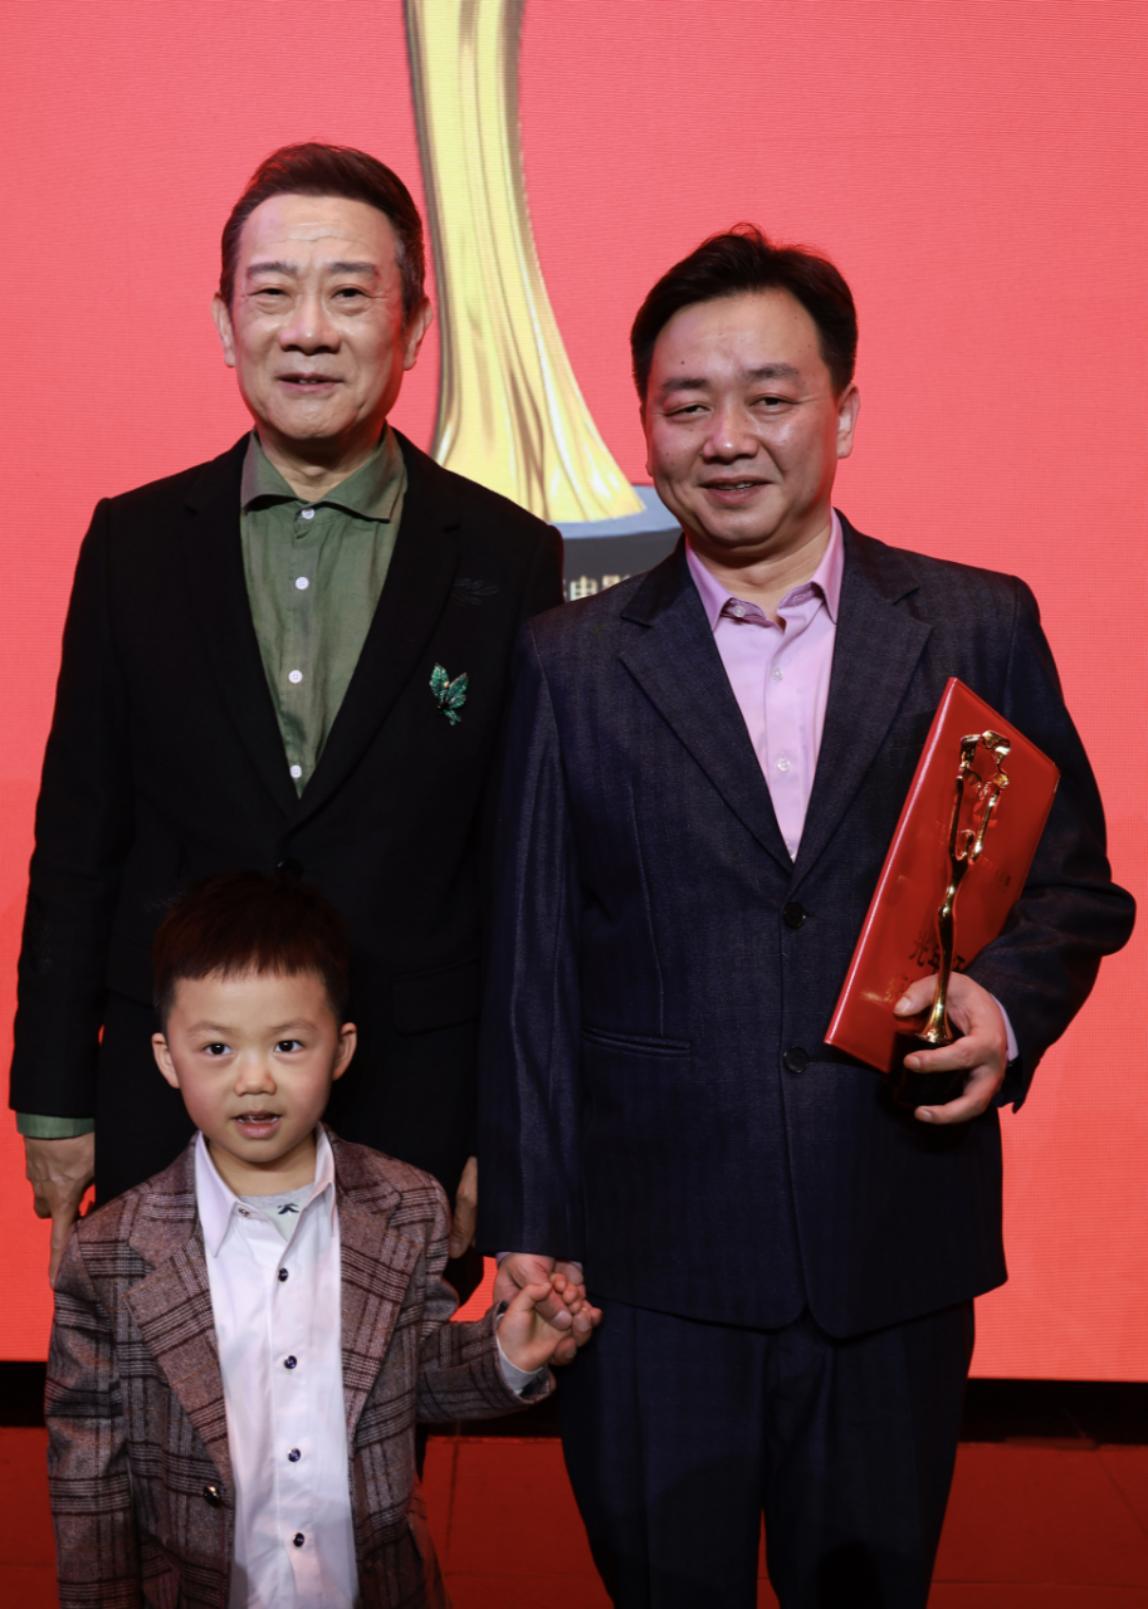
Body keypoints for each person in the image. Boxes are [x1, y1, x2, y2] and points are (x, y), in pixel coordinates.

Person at [479, 227, 1135, 1607]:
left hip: (888, 1231)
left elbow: (1074, 884)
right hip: (648, 1264)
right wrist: (530, 1216)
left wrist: (1003, 1006)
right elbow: (531, 962)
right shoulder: (569, 661)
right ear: (644, 423)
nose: (725, 438)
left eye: (769, 397)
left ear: (843, 411)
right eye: (686, 404)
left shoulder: (974, 623)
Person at [11, 142, 563, 1282]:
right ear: (226, 324)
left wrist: (503, 1135)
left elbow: (522, 879)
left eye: (350, 294)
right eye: (272, 294)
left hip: (412, 1101)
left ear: (414, 326)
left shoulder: (507, 556)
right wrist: (54, 1094)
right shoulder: (133, 544)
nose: (308, 331)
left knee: (381, 1396)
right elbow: (77, 839)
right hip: (173, 1095)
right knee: (170, 1389)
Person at [46, 871, 598, 1608]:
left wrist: (506, 1352)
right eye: (216, 1048)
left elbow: (412, 1378)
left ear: (340, 1048)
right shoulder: (110, 1250)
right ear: (166, 1056)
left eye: (287, 1044)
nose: (254, 1079)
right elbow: (87, 1477)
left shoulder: (404, 1206)